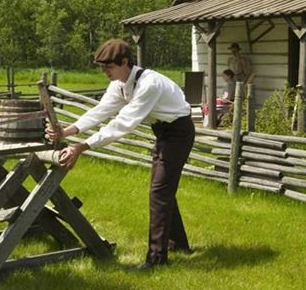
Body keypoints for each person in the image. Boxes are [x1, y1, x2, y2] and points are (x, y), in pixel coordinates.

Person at [47, 38, 195, 270]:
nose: (104, 71)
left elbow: (122, 124)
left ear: (125, 61)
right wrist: (68, 131)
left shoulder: (150, 84)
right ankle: (179, 244)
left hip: (178, 133)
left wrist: (81, 147)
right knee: (163, 190)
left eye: (108, 66)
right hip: (164, 131)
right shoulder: (119, 84)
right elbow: (100, 112)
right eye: (101, 67)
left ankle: (157, 259)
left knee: (159, 191)